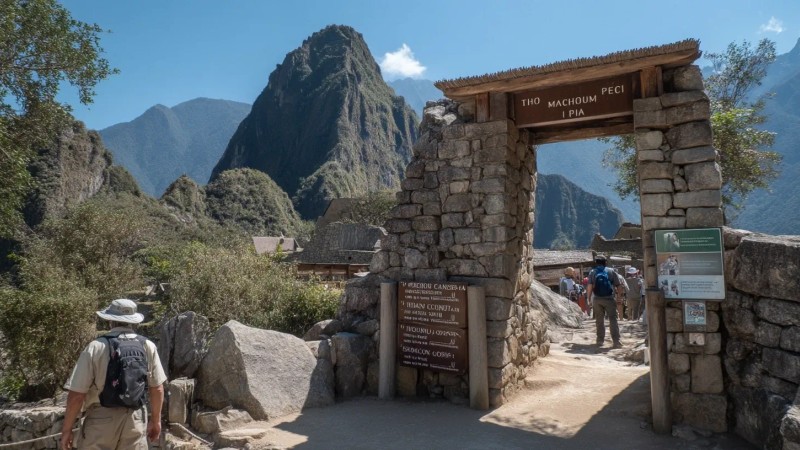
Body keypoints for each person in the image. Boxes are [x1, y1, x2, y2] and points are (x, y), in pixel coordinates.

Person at [60, 299, 166, 450]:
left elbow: (77, 394)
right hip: (134, 419)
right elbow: (157, 388)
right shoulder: (147, 346)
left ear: (110, 321)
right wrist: (156, 421)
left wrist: (67, 430)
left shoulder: (95, 347)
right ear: (133, 322)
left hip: (100, 421)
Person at [587, 255, 624, 348]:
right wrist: (619, 297)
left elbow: (590, 286)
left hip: (597, 299)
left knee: (599, 320)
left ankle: (600, 341)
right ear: (605, 262)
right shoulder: (611, 271)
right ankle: (616, 341)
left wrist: (588, 298)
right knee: (613, 319)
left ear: (596, 263)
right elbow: (619, 286)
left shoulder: (592, 272)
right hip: (609, 298)